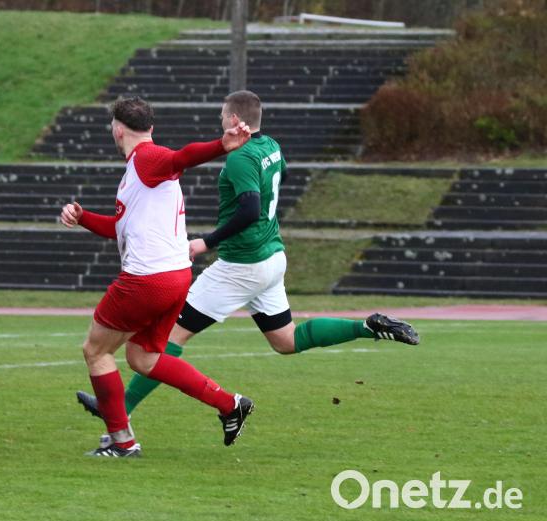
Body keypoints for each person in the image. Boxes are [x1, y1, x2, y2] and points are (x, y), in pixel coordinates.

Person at [76, 90, 419, 433]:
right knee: (286, 340)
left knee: (167, 342)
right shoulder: (271, 146)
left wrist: (207, 241)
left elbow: (251, 208)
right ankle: (368, 326)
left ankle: (122, 410)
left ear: (234, 118)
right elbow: (274, 183)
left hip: (241, 265)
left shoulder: (239, 158)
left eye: (223, 114)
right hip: (272, 257)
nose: (220, 120)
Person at [60, 96, 252, 458]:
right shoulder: (140, 171)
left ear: (117, 129)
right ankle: (230, 404)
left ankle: (122, 442)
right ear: (150, 127)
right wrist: (83, 217)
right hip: (177, 276)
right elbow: (119, 226)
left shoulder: (147, 159)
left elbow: (179, 158)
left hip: (146, 280)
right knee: (144, 358)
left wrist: (221, 146)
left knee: (96, 351)